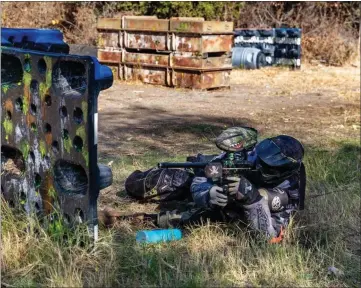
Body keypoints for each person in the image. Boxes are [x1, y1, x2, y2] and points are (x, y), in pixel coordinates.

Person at [124, 127, 306, 243]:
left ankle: (145, 219)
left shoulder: (290, 190)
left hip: (237, 210)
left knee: (188, 217)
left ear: (283, 172)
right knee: (158, 181)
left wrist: (252, 199)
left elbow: (269, 237)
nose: (257, 166)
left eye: (266, 168)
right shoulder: (249, 154)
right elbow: (204, 177)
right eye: (257, 160)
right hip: (217, 190)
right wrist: (208, 194)